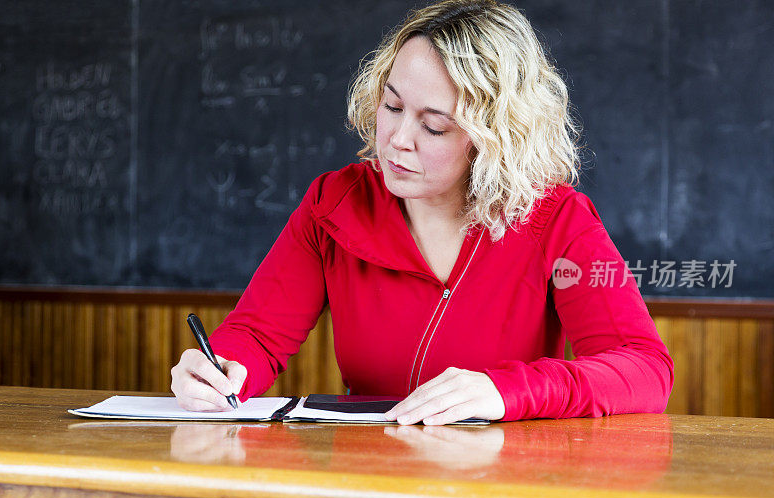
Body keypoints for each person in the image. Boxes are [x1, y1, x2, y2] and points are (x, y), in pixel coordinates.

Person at [170, 0, 673, 425]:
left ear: (495, 138)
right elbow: (257, 334)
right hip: (369, 481)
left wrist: (507, 391)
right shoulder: (334, 203)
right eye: (392, 107)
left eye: (433, 126)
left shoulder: (558, 218)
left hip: (503, 490)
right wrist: (223, 369)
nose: (398, 140)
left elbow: (646, 370)